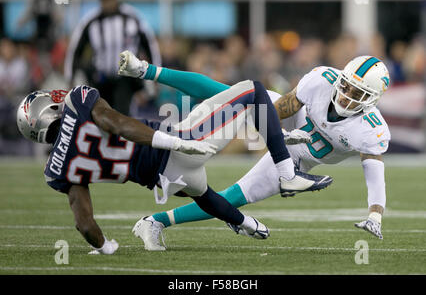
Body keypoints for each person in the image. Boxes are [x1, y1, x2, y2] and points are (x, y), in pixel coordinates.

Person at [16, 61, 331, 253]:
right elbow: (120, 125)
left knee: (205, 194)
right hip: (174, 147)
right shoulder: (77, 102)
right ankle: (287, 173)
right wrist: (173, 142)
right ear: (45, 111)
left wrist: (105, 247)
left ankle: (243, 222)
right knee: (253, 91)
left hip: (161, 179)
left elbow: (84, 222)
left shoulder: (56, 170)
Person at [118, 51, 391, 251]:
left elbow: (374, 171)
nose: (345, 95)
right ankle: (146, 70)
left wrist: (375, 214)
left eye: (357, 93)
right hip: (287, 124)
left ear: (372, 101)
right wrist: (279, 135)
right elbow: (279, 111)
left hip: (301, 159)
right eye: (345, 86)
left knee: (234, 197)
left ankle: (154, 222)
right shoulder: (321, 80)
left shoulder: (371, 130)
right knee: (228, 94)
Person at [64, 0, 161, 116]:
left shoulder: (132, 18)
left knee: (123, 115)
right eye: (104, 0)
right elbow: (75, 51)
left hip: (126, 78)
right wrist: (70, 78)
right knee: (100, 115)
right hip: (101, 77)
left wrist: (156, 76)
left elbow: (150, 46)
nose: (108, 4)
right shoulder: (91, 21)